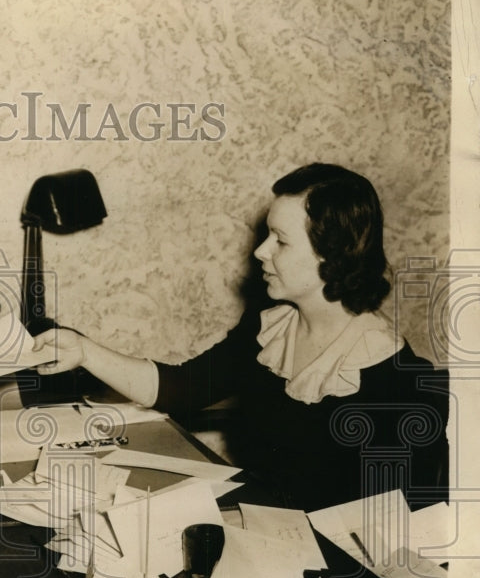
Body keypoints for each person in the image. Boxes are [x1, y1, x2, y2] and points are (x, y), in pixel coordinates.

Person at [32, 163, 448, 512]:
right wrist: (83, 350)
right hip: (265, 533)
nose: (260, 252)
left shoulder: (393, 379)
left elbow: (406, 523)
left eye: (280, 241)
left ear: (332, 254)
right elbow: (182, 388)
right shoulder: (273, 325)